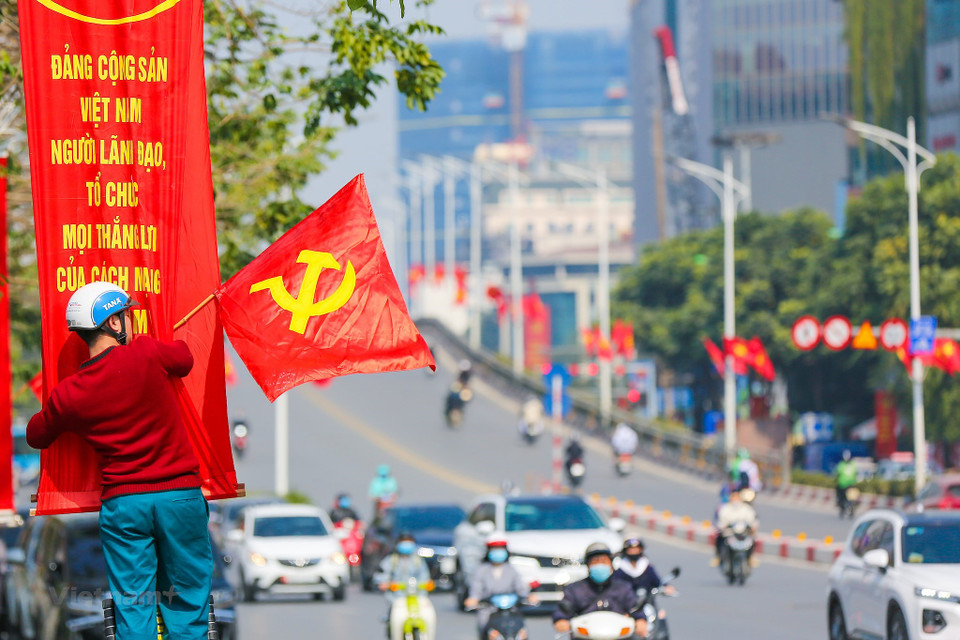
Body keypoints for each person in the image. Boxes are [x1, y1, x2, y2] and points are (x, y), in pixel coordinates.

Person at [26, 282, 212, 640]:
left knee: (133, 608)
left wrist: (58, 404)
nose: (131, 322)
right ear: (113, 323)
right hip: (179, 498)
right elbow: (184, 358)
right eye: (126, 315)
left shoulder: (70, 394)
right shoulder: (144, 351)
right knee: (188, 606)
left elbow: (36, 435)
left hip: (124, 506)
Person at [553, 543, 647, 638]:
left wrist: (640, 621)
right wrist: (561, 621)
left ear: (611, 565)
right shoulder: (575, 589)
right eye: (595, 562)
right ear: (588, 566)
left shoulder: (623, 588)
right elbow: (562, 612)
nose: (600, 565)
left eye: (603, 561)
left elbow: (636, 610)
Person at [464, 537, 538, 637]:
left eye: (500, 549)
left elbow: (520, 588)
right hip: (489, 608)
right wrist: (473, 599)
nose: (498, 552)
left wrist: (529, 596)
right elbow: (476, 589)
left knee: (522, 629)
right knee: (483, 623)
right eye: (495, 549)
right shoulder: (482, 570)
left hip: (510, 608)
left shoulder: (511, 569)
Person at [375, 532, 435, 639]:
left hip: (417, 596)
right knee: (395, 617)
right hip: (397, 597)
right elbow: (381, 574)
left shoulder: (418, 561)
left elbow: (425, 576)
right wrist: (385, 583)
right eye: (404, 542)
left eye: (409, 543)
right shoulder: (391, 560)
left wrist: (427, 583)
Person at [711, 487, 758, 567]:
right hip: (729, 533)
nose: (735, 499)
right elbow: (721, 521)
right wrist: (722, 527)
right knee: (719, 538)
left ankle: (751, 557)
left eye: (737, 496)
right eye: (733, 496)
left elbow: (752, 520)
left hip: (743, 532)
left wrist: (753, 527)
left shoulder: (746, 508)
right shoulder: (725, 508)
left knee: (753, 540)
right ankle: (718, 557)